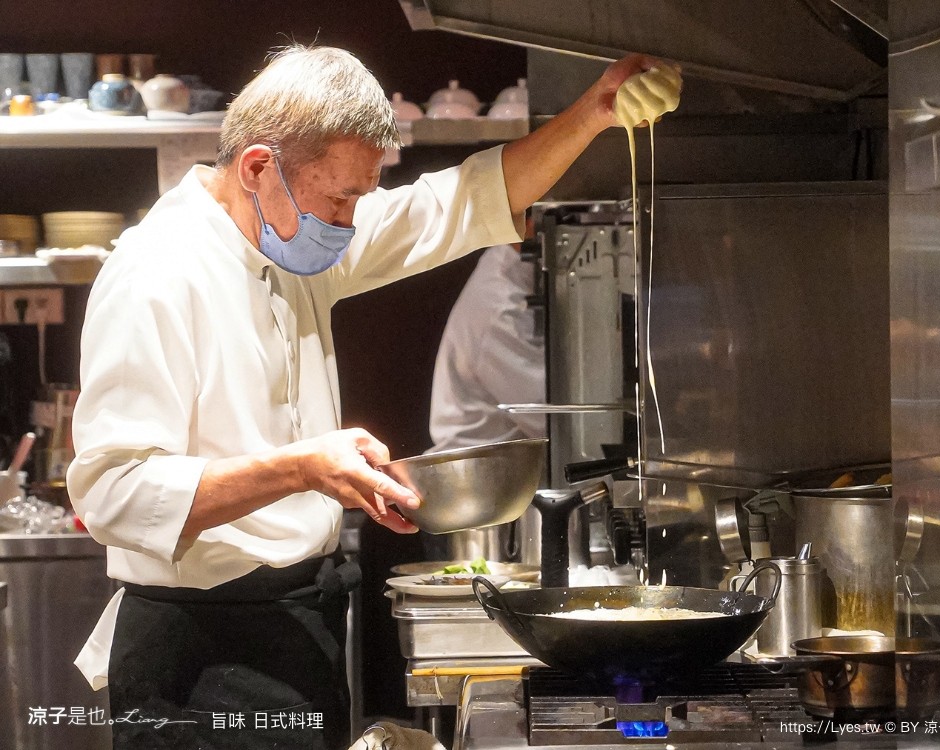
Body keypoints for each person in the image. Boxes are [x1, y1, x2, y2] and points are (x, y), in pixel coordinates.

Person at [66, 45, 681, 749]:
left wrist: (592, 113)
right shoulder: (156, 274)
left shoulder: (286, 233)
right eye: (341, 198)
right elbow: (111, 493)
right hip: (200, 659)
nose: (351, 220)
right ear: (259, 167)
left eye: (360, 196)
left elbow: (457, 205)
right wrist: (301, 469)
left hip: (298, 625)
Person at [426, 237, 544, 454]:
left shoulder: (511, 263)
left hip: (517, 466)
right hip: (481, 474)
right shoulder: (499, 308)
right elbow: (551, 420)